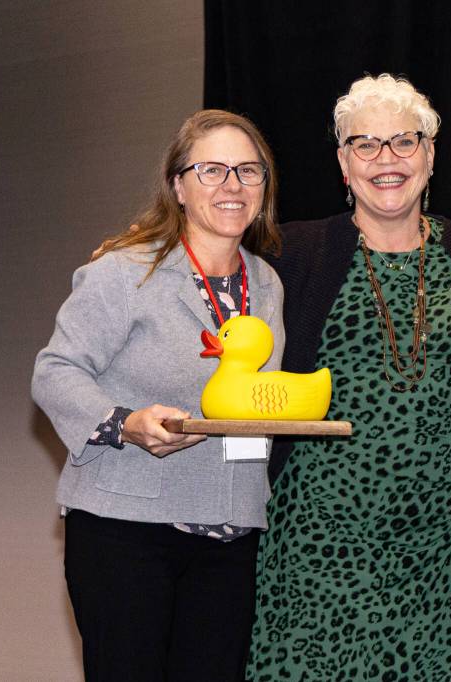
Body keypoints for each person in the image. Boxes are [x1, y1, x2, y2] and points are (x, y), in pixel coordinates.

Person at [247, 74, 451, 681]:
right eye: (366, 145)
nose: (387, 160)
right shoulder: (290, 254)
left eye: (404, 142)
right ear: (343, 164)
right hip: (318, 548)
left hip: (445, 552)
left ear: (430, 155)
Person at [31, 110, 284, 681]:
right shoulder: (125, 272)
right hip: (127, 532)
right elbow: (54, 371)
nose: (232, 186)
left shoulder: (267, 283)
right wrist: (123, 423)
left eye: (248, 171)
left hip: (230, 533)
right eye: (212, 170)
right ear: (178, 185)